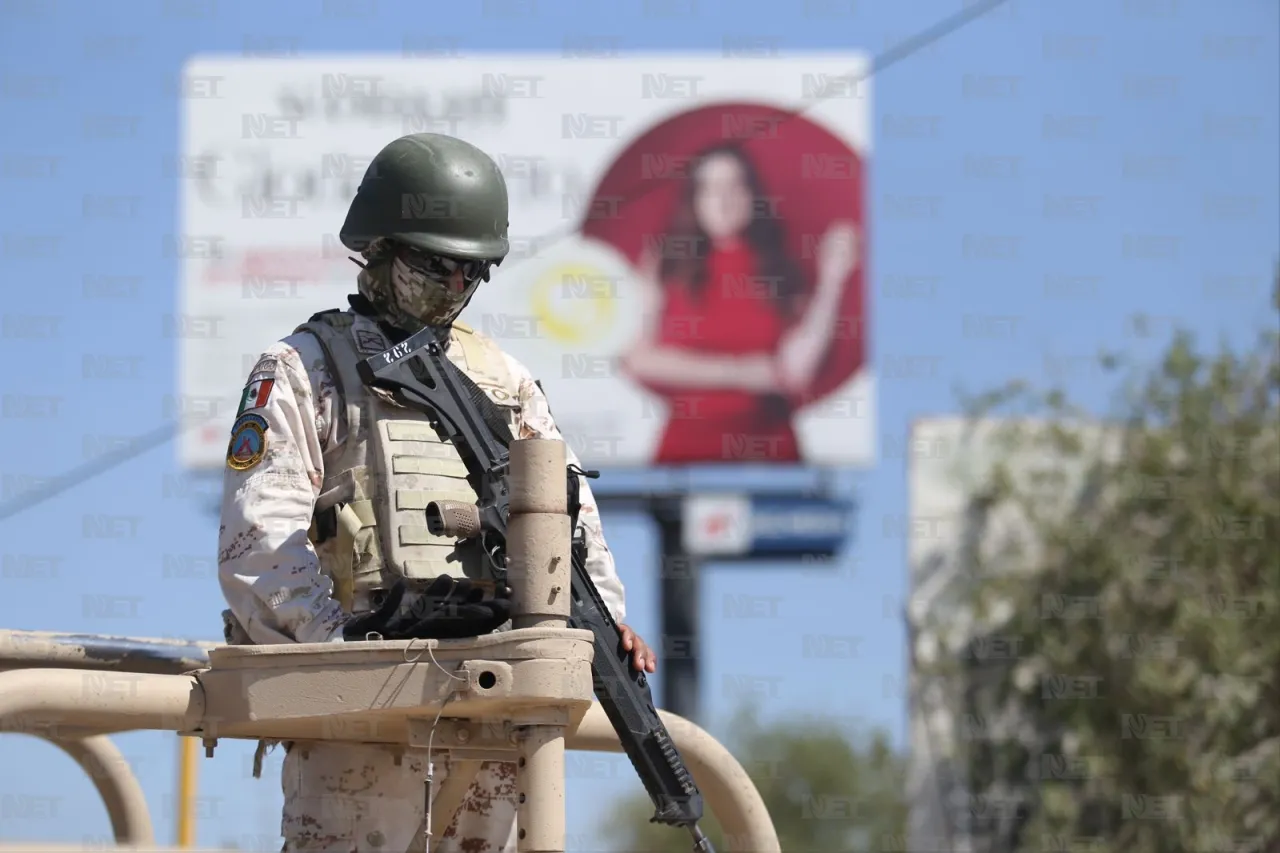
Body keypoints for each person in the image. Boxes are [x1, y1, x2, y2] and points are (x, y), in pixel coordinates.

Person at [216, 132, 657, 853]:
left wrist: (598, 627)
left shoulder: (504, 381)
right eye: (434, 266)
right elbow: (259, 546)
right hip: (359, 737)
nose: (453, 289)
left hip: (495, 728)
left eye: (470, 273)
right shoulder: (305, 369)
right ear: (379, 251)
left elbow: (570, 532)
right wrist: (347, 653)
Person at [620, 142, 860, 464]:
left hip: (772, 454)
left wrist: (832, 281)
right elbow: (638, 359)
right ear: (694, 200)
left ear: (752, 196)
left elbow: (794, 371)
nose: (723, 200)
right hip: (688, 453)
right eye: (710, 188)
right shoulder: (665, 264)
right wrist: (743, 372)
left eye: (734, 186)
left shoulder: (780, 269)